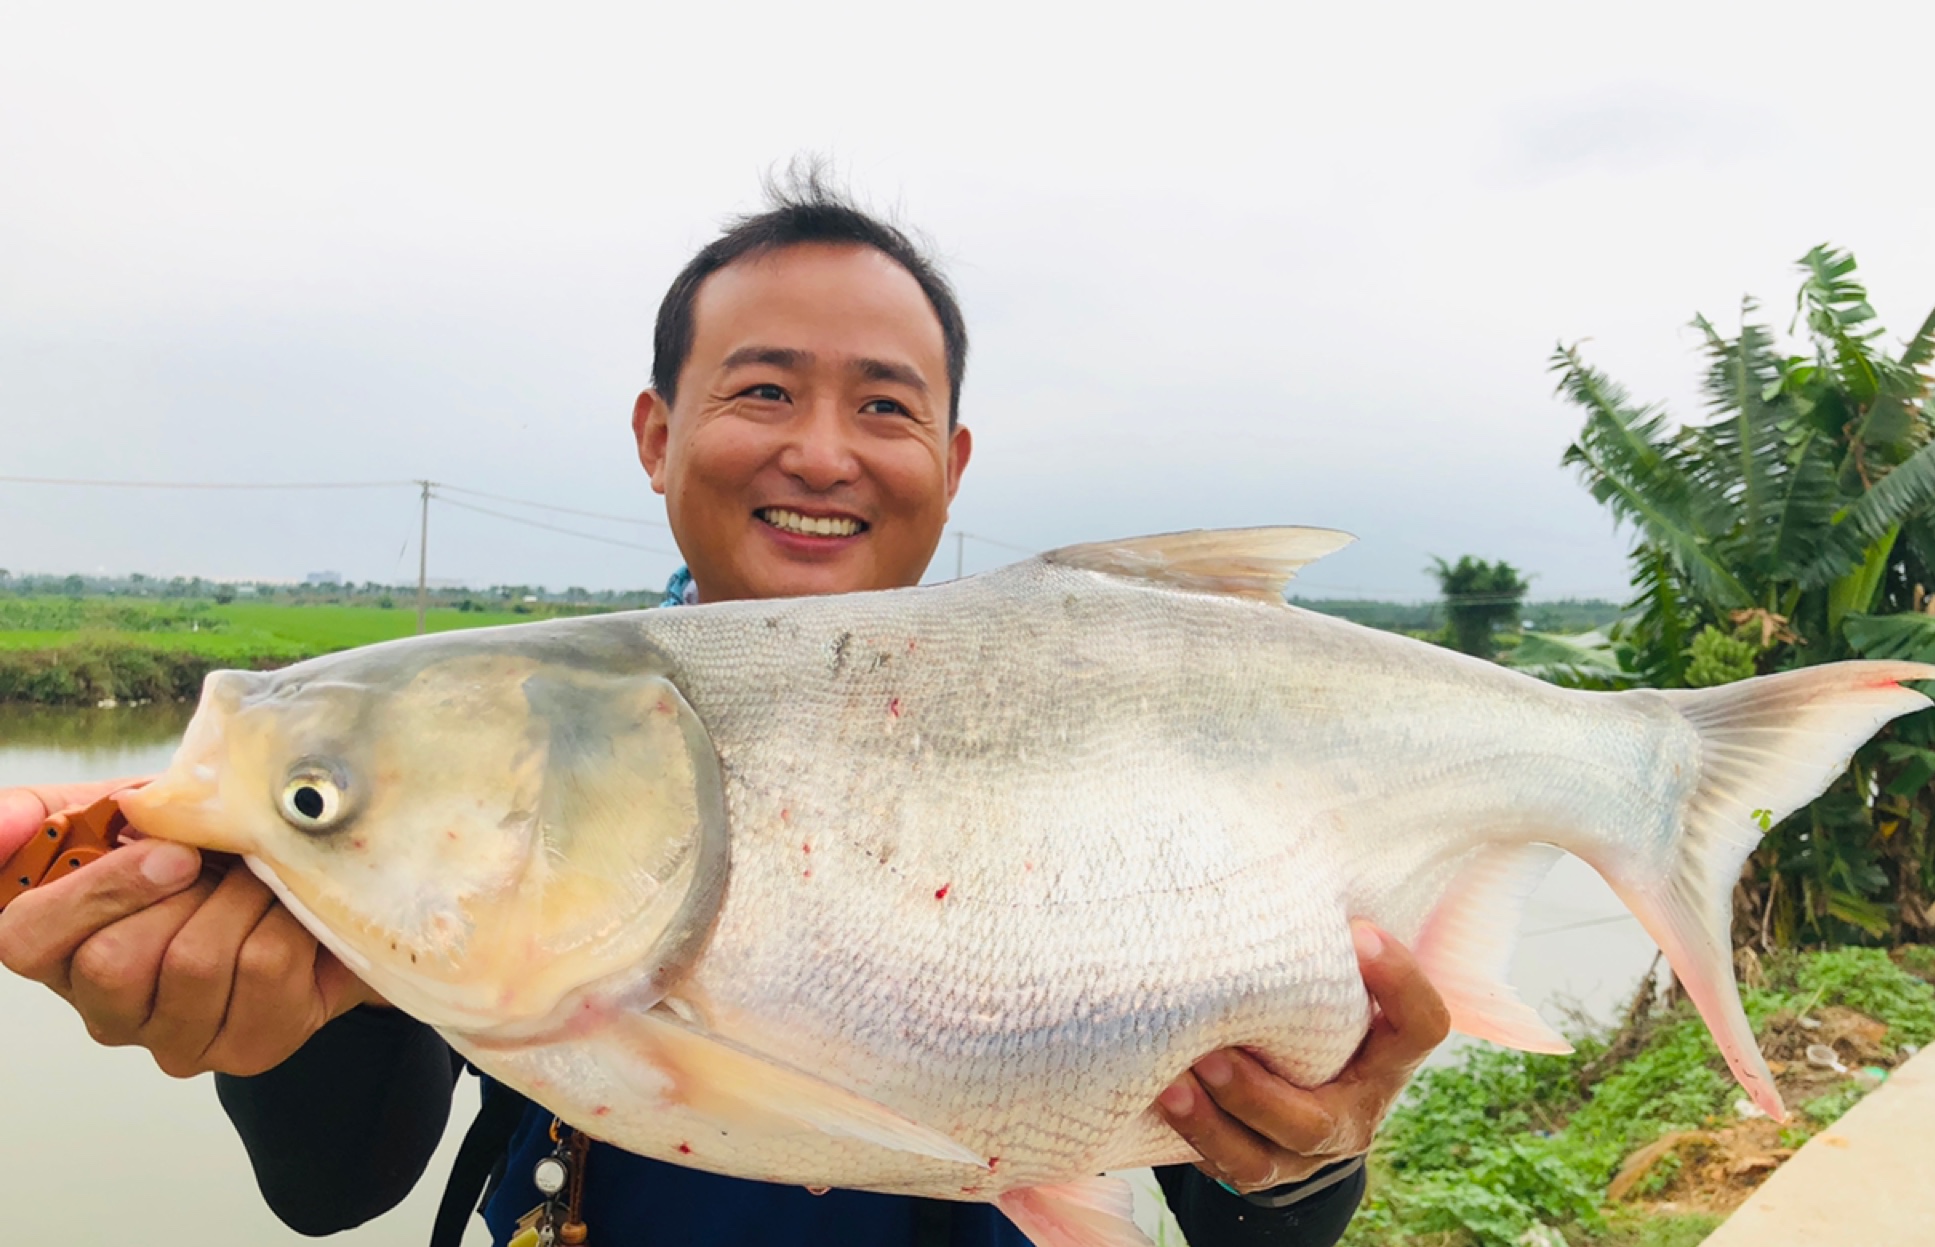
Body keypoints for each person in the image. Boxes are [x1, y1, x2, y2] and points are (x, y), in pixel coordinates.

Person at [0, 171, 1449, 1245]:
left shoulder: (1115, 749)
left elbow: (1247, 1223)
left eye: (884, 408)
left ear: (950, 461)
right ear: (657, 434)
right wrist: (259, 1020)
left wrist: (1305, 1153)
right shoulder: (498, 741)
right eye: (763, 390)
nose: (823, 454)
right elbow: (334, 1189)